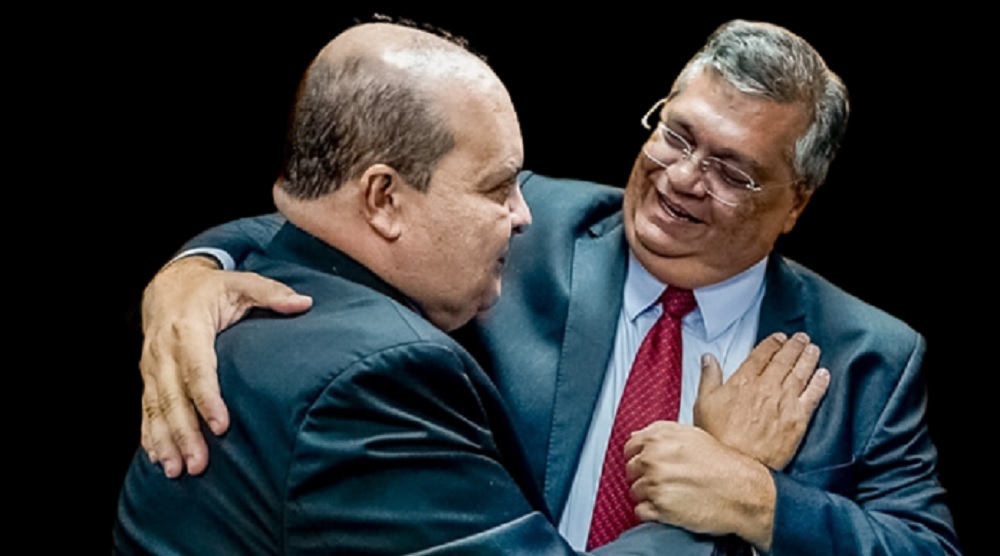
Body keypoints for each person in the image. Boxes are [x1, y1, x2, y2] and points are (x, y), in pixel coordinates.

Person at [135, 20, 960, 555]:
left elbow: (926, 548)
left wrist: (761, 500)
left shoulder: (865, 355)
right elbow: (334, 210)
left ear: (797, 204)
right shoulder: (518, 227)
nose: (682, 177)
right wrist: (192, 274)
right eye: (677, 135)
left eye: (733, 171)